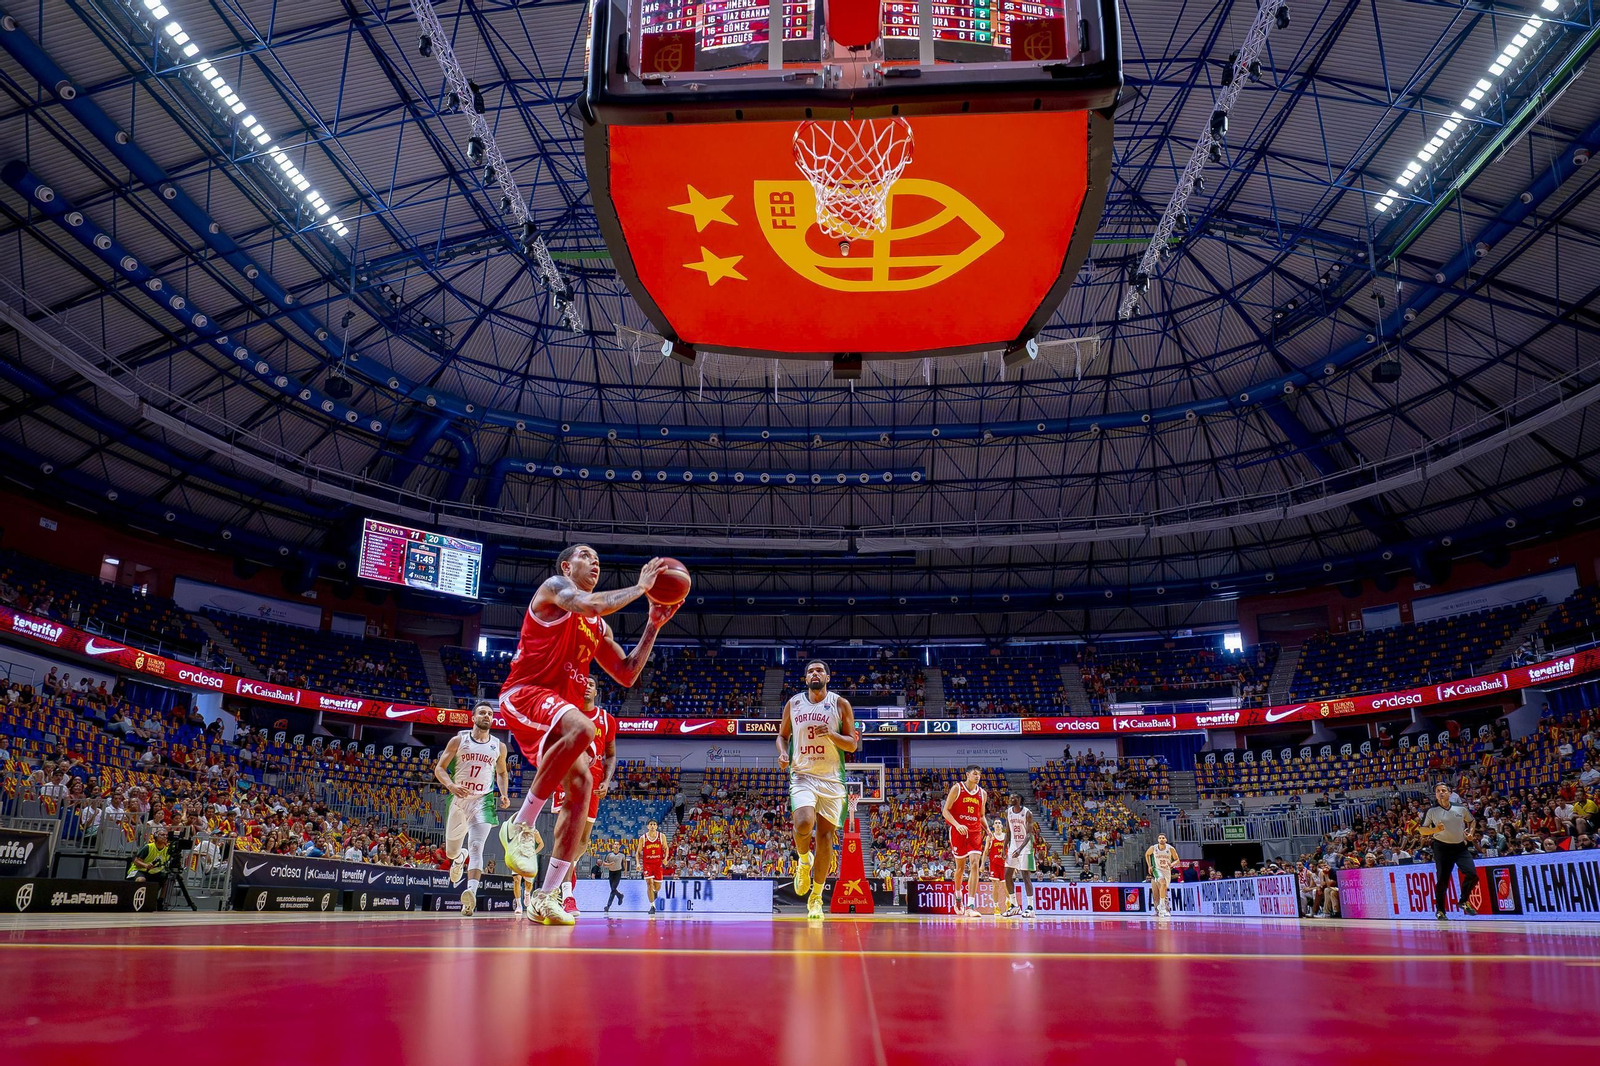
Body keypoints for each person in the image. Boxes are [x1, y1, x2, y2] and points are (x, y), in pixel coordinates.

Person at [494, 546, 679, 926]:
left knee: (581, 788)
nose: (595, 561)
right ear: (567, 566)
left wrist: (653, 625)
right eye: (585, 555)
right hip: (526, 695)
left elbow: (627, 673)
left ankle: (545, 896)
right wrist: (642, 587)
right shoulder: (555, 589)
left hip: (560, 714)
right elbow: (589, 604)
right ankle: (522, 823)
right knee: (584, 726)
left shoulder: (597, 627)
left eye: (598, 558)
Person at [777, 659, 859, 920]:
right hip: (802, 774)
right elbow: (782, 736)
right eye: (810, 671)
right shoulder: (794, 703)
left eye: (819, 670)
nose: (815, 673)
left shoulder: (840, 704)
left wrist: (831, 735)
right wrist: (782, 754)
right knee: (803, 823)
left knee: (824, 839)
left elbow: (852, 745)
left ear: (828, 676)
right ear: (805, 678)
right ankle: (803, 860)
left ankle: (816, 898)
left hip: (833, 780)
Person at [550, 677, 618, 916]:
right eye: (583, 683)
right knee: (567, 836)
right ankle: (567, 896)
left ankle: (569, 866)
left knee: (582, 842)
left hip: (593, 783)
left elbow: (610, 755)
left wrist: (607, 781)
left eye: (591, 683)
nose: (586, 686)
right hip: (568, 780)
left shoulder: (606, 720)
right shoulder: (565, 715)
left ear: (596, 691)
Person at [434, 702, 509, 917]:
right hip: (459, 801)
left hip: (483, 801)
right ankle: (458, 859)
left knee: (477, 846)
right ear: (473, 717)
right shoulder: (459, 740)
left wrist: (503, 793)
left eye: (490, 714)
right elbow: (439, 768)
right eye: (482, 712)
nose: (487, 716)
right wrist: (451, 786)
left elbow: (502, 773)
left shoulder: (498, 745)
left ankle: (470, 895)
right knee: (451, 851)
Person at [1419, 781, 1479, 920]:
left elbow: (1471, 820)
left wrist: (1471, 833)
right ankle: (1440, 910)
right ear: (1435, 794)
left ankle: (1463, 901)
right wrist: (1435, 829)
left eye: (1444, 790)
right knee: (1443, 880)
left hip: (1460, 847)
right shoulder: (1431, 811)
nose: (1441, 793)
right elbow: (1422, 830)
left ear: (1450, 793)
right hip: (1442, 847)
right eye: (1438, 790)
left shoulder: (1460, 808)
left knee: (1472, 874)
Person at [942, 766, 988, 918]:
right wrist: (957, 824)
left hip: (975, 831)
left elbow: (981, 816)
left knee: (975, 863)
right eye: (975, 774)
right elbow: (945, 811)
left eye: (979, 774)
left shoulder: (983, 793)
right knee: (960, 869)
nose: (977, 776)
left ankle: (971, 905)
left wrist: (988, 830)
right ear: (967, 774)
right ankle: (958, 898)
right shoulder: (957, 788)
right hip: (958, 831)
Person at [1003, 793, 1039, 918]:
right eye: (1010, 797)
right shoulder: (1008, 812)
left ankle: (1030, 907)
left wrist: (1020, 849)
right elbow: (1007, 832)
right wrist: (1004, 849)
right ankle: (1014, 905)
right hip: (1013, 846)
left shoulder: (1027, 813)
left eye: (1013, 798)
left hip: (1025, 848)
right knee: (1007, 875)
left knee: (1025, 876)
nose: (1010, 799)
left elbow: (1029, 834)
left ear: (1019, 799)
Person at [1145, 832, 1181, 918]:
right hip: (1156, 869)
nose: (1161, 839)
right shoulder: (1153, 848)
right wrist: (1149, 865)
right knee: (1161, 885)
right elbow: (1147, 854)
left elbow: (1177, 860)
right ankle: (1160, 908)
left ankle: (1163, 908)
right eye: (1160, 838)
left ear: (1166, 840)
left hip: (1166, 870)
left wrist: (1170, 865)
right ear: (1158, 840)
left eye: (1163, 838)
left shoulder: (1170, 849)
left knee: (1163, 888)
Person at [639, 821, 668, 915]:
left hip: (658, 864)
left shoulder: (661, 836)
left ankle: (655, 892)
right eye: (651, 824)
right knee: (649, 884)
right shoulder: (643, 838)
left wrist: (665, 858)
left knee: (657, 887)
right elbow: (638, 852)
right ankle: (652, 906)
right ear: (647, 826)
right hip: (647, 864)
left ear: (657, 826)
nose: (652, 826)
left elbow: (666, 848)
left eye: (654, 824)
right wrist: (638, 864)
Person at [985, 818, 1009, 916]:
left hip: (1005, 864)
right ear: (993, 826)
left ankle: (1008, 902)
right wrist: (982, 864)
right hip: (994, 864)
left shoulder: (1006, 836)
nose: (998, 824)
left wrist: (1014, 866)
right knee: (995, 886)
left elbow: (1011, 851)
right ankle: (996, 906)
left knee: (1006, 885)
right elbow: (986, 851)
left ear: (1002, 826)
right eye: (996, 823)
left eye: (999, 823)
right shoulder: (990, 837)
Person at [602, 849, 626, 913]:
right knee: (613, 890)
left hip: (618, 872)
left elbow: (624, 862)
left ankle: (608, 906)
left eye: (617, 844)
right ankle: (620, 896)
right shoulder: (609, 854)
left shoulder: (622, 855)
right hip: (611, 872)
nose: (616, 846)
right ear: (613, 846)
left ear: (619, 846)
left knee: (613, 888)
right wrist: (609, 864)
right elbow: (604, 864)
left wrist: (625, 870)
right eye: (615, 844)